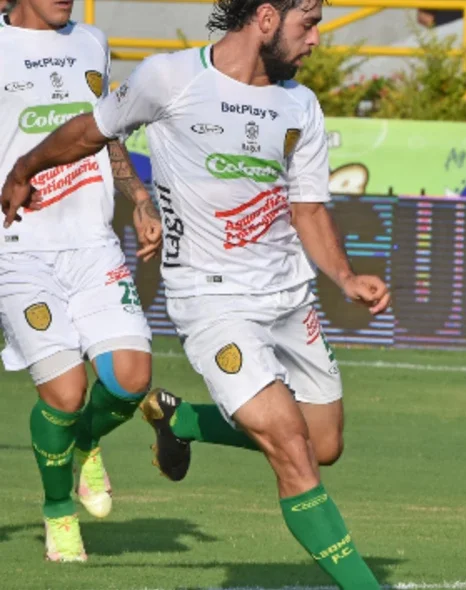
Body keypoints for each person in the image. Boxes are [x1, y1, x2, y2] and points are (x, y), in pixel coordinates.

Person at [1, 0, 391, 586]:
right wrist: (26, 166)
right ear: (265, 19)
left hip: (289, 297)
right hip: (211, 301)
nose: (315, 40)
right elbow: (91, 130)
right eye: (307, 25)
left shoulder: (300, 105)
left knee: (323, 443)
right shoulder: (170, 77)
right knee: (288, 443)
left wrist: (344, 277)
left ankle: (180, 422)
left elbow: (308, 206)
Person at [0, 0, 161, 561]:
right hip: (19, 250)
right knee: (66, 393)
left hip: (94, 243)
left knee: (130, 380)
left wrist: (139, 196)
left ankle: (85, 444)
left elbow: (104, 128)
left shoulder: (91, 40)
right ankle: (57, 511)